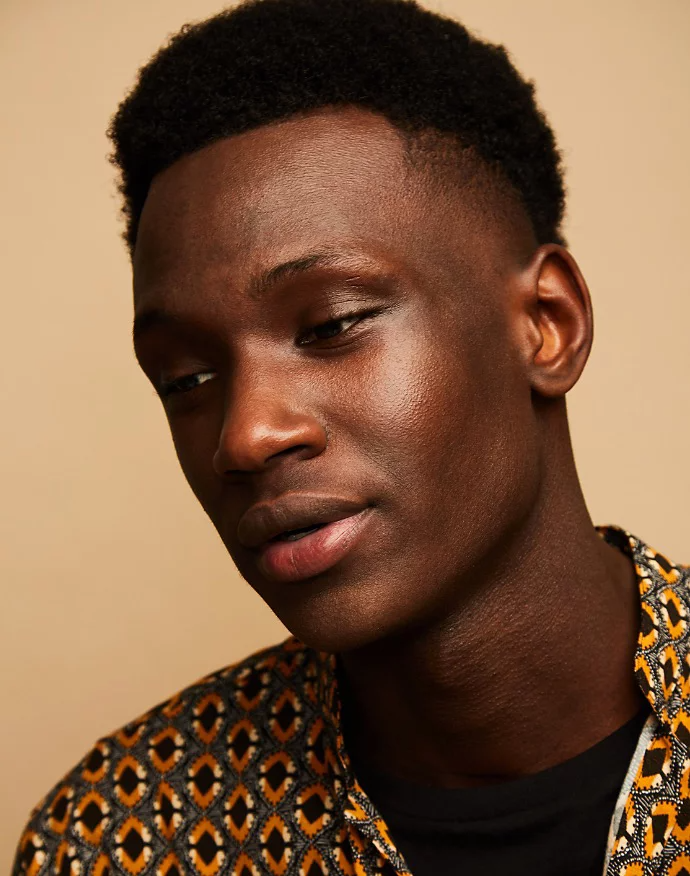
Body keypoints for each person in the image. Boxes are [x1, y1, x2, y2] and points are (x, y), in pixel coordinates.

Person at [12, 0, 689, 873]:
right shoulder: (114, 840)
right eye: (185, 379)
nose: (246, 435)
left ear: (545, 325)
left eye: (331, 324)